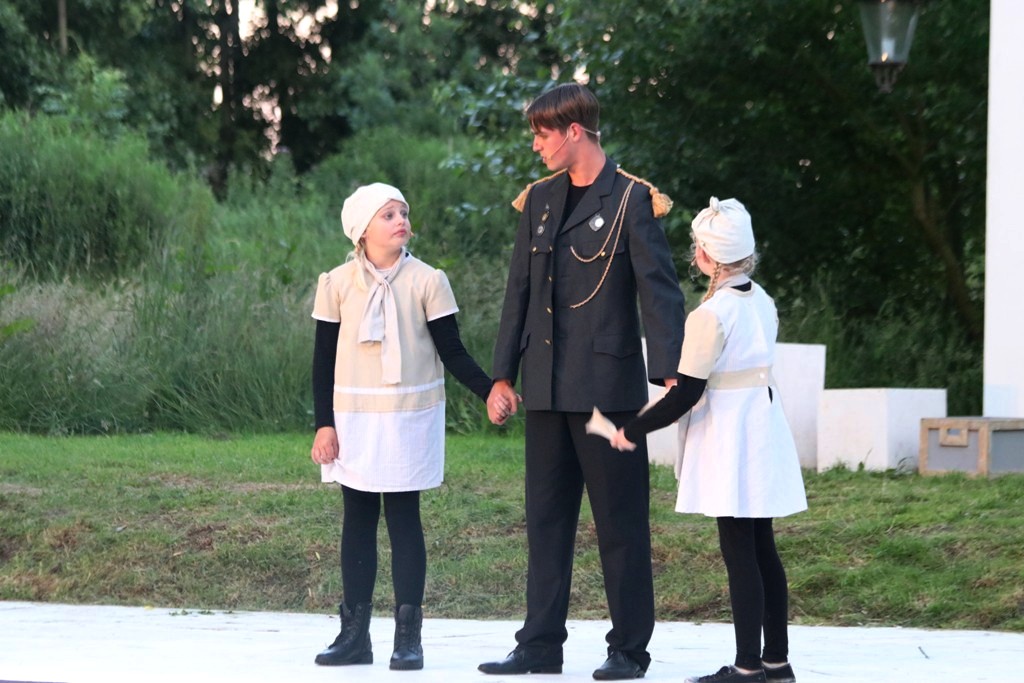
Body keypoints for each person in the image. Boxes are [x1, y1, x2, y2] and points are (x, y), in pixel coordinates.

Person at [479, 83, 686, 680]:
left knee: (620, 524)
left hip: (606, 392)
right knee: (546, 522)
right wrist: (501, 375)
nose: (536, 145)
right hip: (545, 386)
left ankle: (629, 650)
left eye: (542, 133)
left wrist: (670, 371)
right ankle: (540, 645)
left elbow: (659, 290)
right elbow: (518, 291)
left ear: (574, 131)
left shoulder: (630, 198)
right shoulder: (539, 200)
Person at [608, 197, 808, 683]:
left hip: (731, 435)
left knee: (740, 551)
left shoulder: (711, 314)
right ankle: (776, 662)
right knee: (763, 547)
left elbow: (686, 393)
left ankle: (747, 666)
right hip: (763, 424)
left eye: (698, 246)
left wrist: (632, 429)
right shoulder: (763, 301)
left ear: (707, 257)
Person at [309, 182, 493, 672]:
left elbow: (452, 350)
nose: (401, 221)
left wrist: (489, 390)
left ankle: (408, 639)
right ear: (362, 230)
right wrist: (324, 425)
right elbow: (322, 362)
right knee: (358, 518)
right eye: (388, 215)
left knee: (404, 517)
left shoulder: (428, 280)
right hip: (355, 417)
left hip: (409, 416)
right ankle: (354, 635)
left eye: (403, 213)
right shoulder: (337, 283)